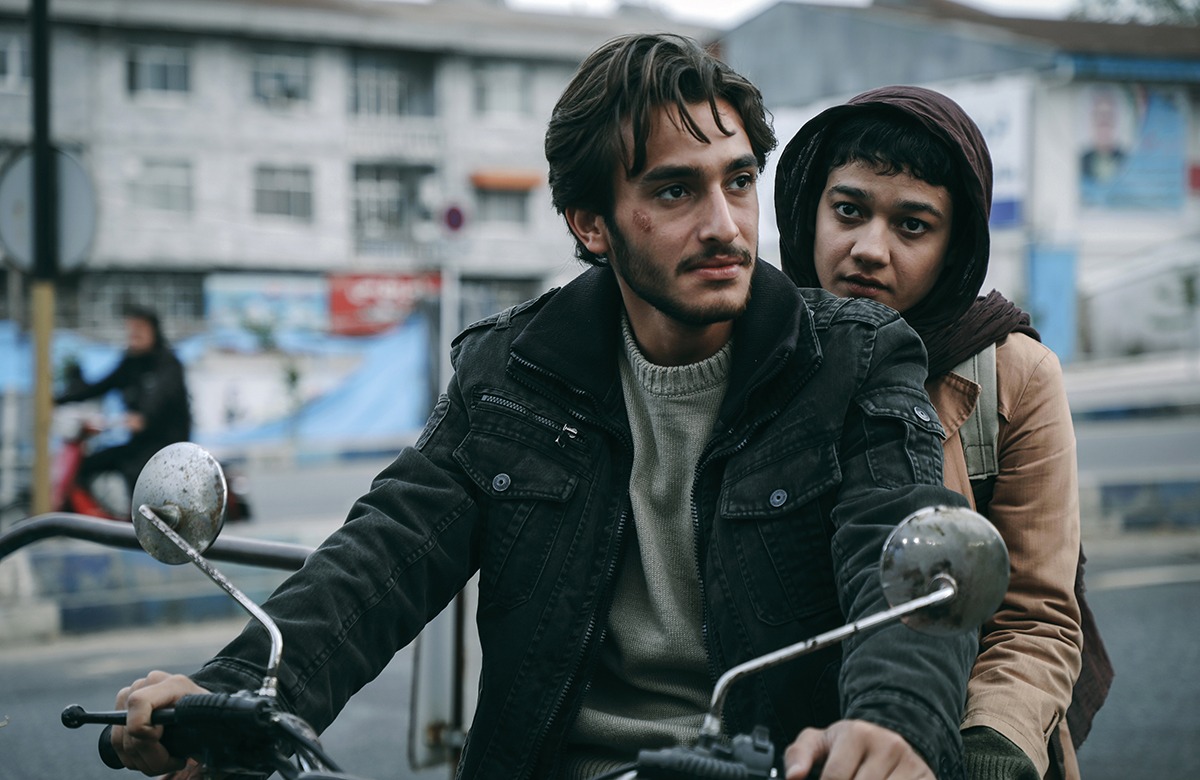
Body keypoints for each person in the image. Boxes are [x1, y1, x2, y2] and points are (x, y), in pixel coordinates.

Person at [113, 36, 976, 780]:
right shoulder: (510, 372)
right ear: (592, 223)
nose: (725, 225)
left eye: (739, 181)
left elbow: (903, 549)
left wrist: (894, 723)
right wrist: (227, 694)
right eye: (676, 191)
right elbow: (379, 559)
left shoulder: (854, 358)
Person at [775, 86, 1113, 780]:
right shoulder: (752, 356)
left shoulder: (1014, 376)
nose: (870, 249)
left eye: (913, 225)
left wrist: (989, 747)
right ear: (808, 210)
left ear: (956, 246)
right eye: (849, 210)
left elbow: (1035, 618)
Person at [54, 304, 192, 506]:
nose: (134, 334)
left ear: (153, 330)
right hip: (138, 443)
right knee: (88, 464)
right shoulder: (129, 362)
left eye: (140, 329)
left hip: (166, 446)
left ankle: (138, 523)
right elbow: (101, 385)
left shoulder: (168, 363)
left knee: (135, 472)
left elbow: (161, 395)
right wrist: (58, 399)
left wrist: (144, 417)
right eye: (131, 329)